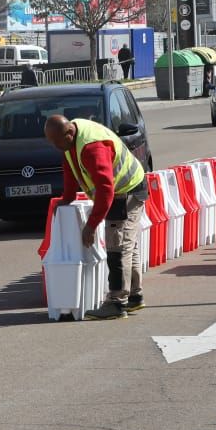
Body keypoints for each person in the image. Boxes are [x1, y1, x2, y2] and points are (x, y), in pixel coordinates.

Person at [45, 114, 148, 320]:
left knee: (117, 247)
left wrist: (91, 226)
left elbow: (105, 189)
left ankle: (117, 303)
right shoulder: (70, 141)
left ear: (69, 133)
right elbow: (70, 166)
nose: (56, 147)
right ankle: (135, 297)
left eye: (57, 142)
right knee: (129, 245)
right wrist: (67, 198)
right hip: (121, 191)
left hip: (127, 191)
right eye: (52, 142)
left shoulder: (92, 147)